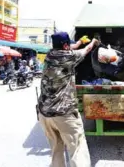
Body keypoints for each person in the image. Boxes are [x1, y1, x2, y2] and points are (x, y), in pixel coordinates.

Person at [37, 32, 99, 167]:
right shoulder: (69, 56)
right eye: (68, 44)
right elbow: (86, 50)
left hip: (45, 114)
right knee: (77, 148)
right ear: (65, 45)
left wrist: (79, 42)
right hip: (63, 113)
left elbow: (70, 47)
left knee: (56, 149)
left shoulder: (49, 55)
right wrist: (93, 42)